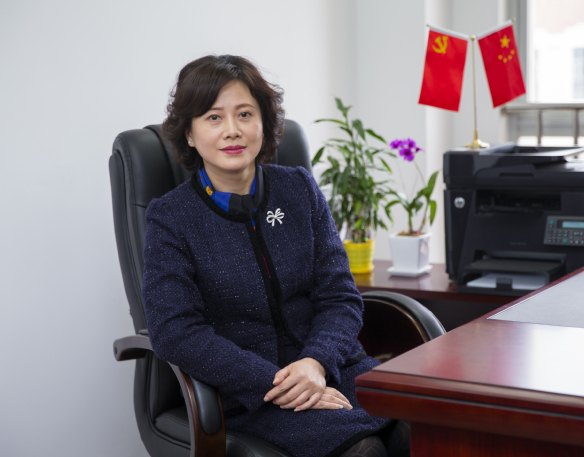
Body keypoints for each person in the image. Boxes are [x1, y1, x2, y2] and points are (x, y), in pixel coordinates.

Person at [142, 55, 409, 457]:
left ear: (263, 123)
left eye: (244, 114)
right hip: (250, 394)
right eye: (213, 117)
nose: (232, 130)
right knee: (364, 449)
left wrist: (315, 363)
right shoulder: (171, 217)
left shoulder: (298, 189)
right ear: (190, 134)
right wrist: (278, 383)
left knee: (427, 425)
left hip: (335, 368)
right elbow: (176, 332)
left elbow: (339, 296)